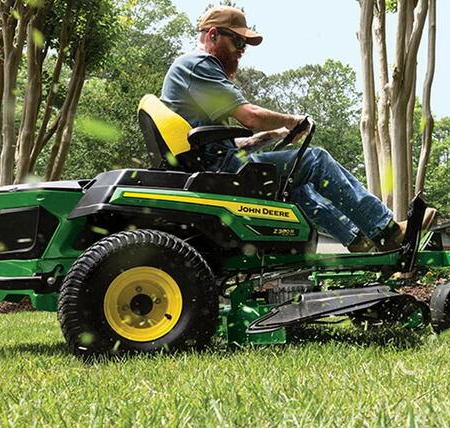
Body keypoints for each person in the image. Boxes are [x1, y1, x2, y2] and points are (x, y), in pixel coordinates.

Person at [160, 6, 435, 252]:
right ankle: (386, 230)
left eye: (245, 43)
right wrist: (291, 121)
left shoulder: (194, 73)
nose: (242, 49)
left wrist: (275, 135)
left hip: (216, 166)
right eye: (238, 41)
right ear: (212, 35)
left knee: (296, 184)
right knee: (316, 160)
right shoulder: (199, 65)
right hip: (221, 172)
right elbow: (250, 117)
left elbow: (223, 142)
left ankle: (357, 240)